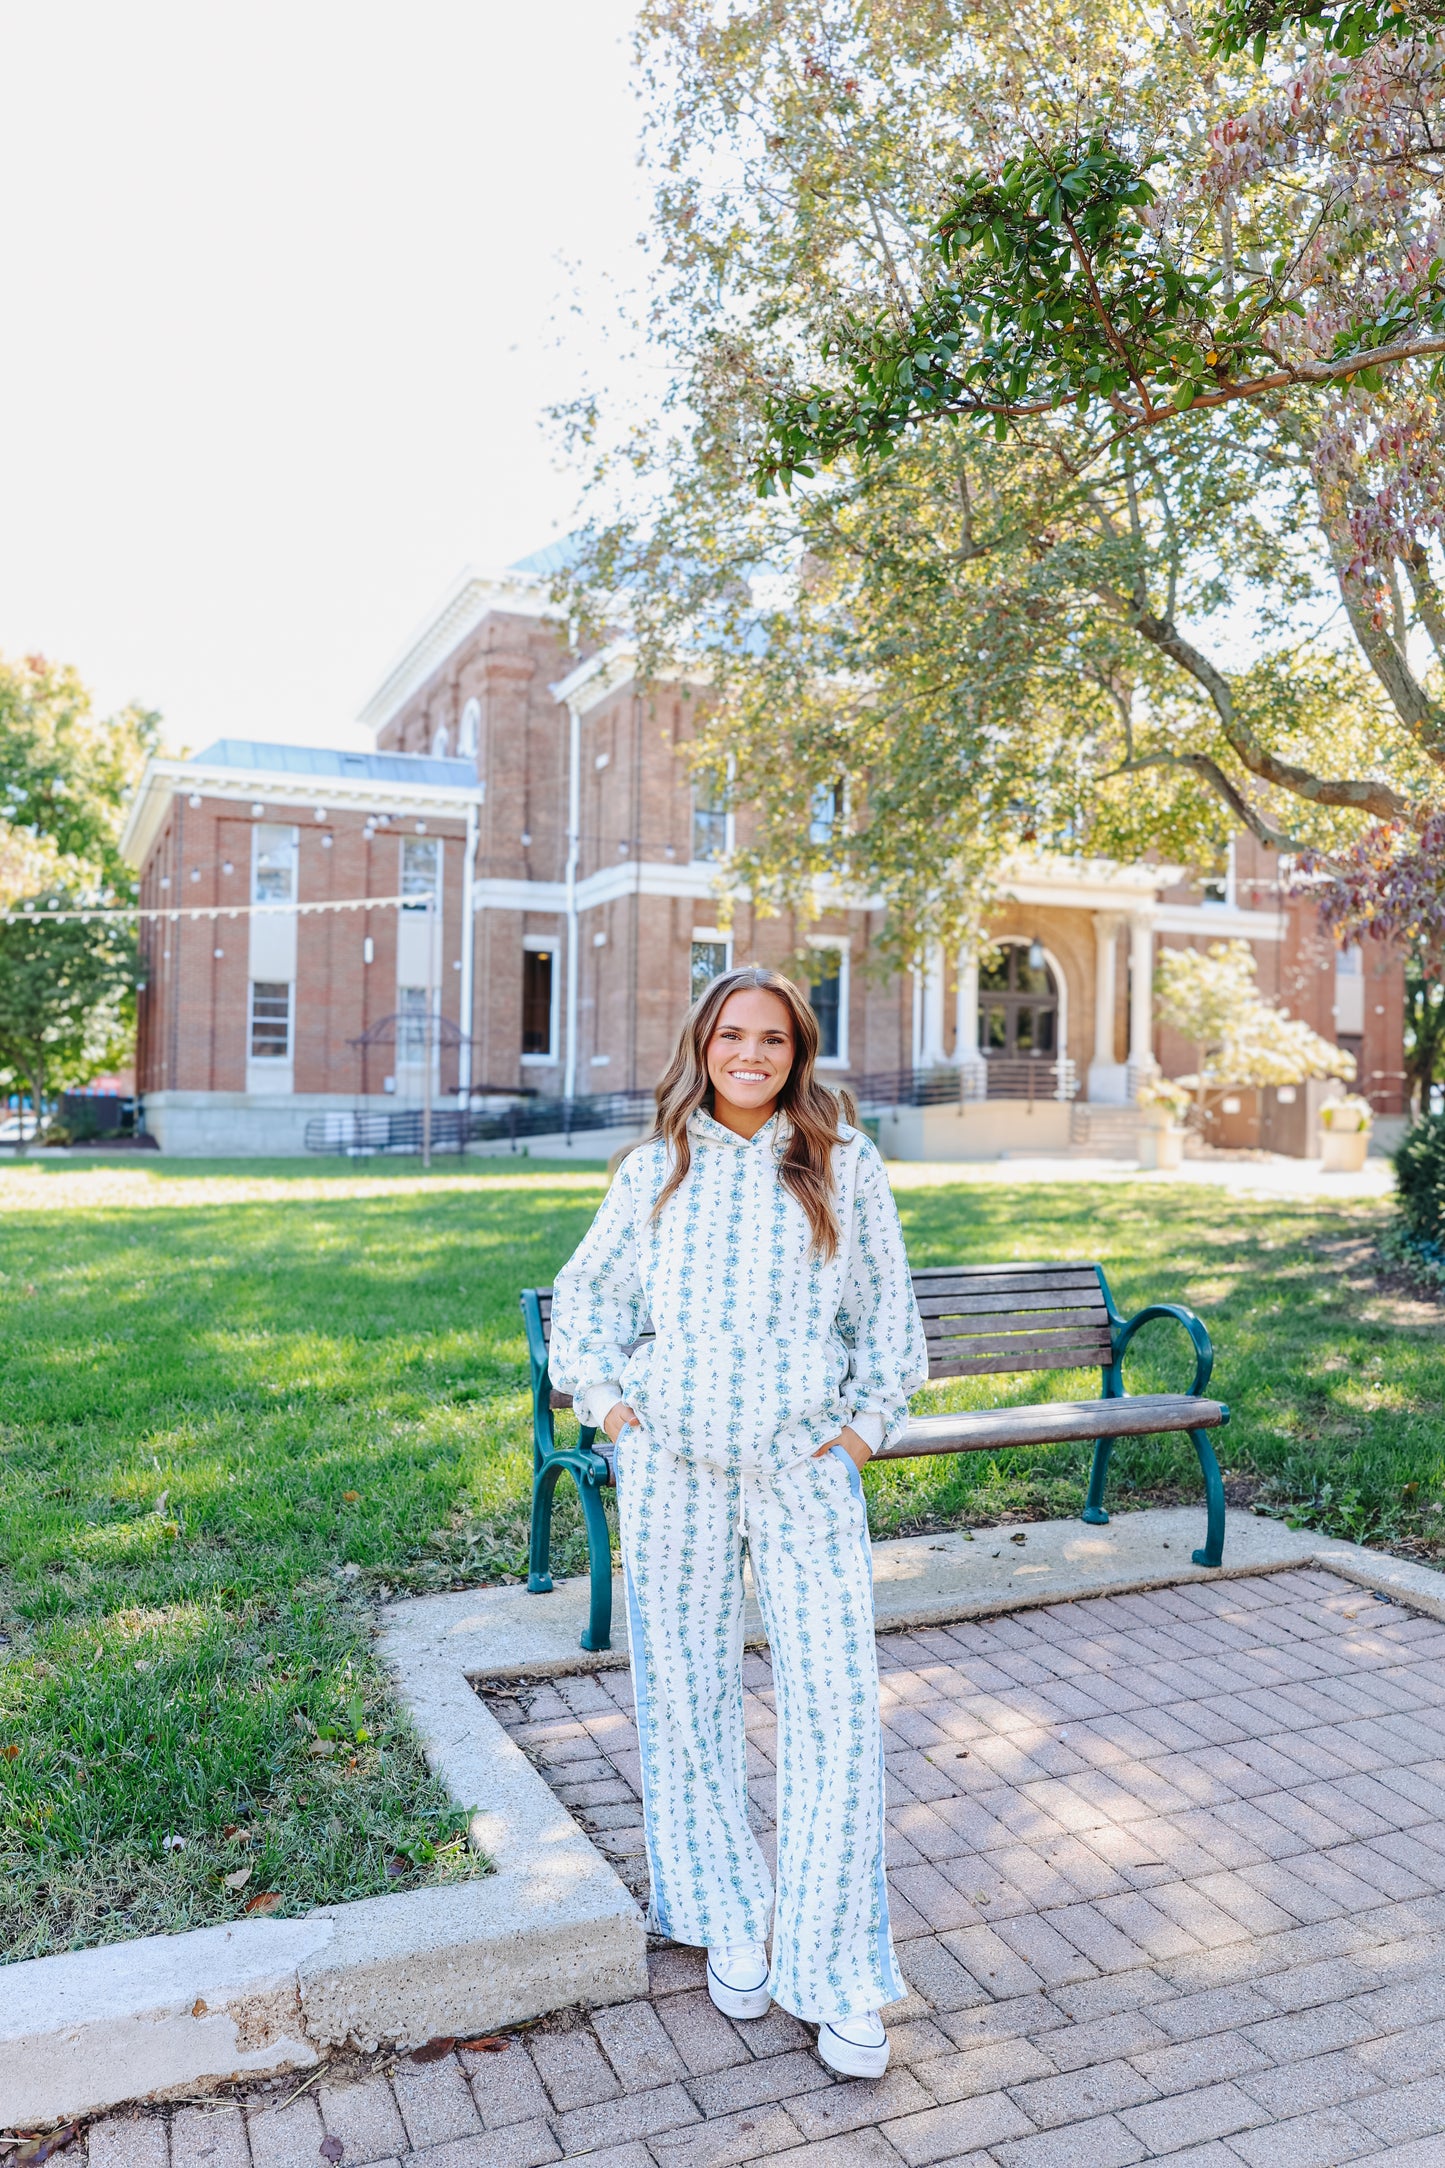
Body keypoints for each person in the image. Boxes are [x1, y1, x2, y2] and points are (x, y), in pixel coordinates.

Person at [549, 964, 927, 2078]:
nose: (750, 1053)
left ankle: (836, 1968)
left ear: (797, 1052)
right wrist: (617, 1414)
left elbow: (887, 1321)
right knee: (685, 1686)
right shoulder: (654, 1167)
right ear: (702, 1046)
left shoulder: (842, 1165)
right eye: (731, 1034)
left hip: (801, 1469)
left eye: (771, 1037)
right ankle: (724, 1910)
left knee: (834, 1701)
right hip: (675, 1469)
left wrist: (859, 1432)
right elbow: (588, 1302)